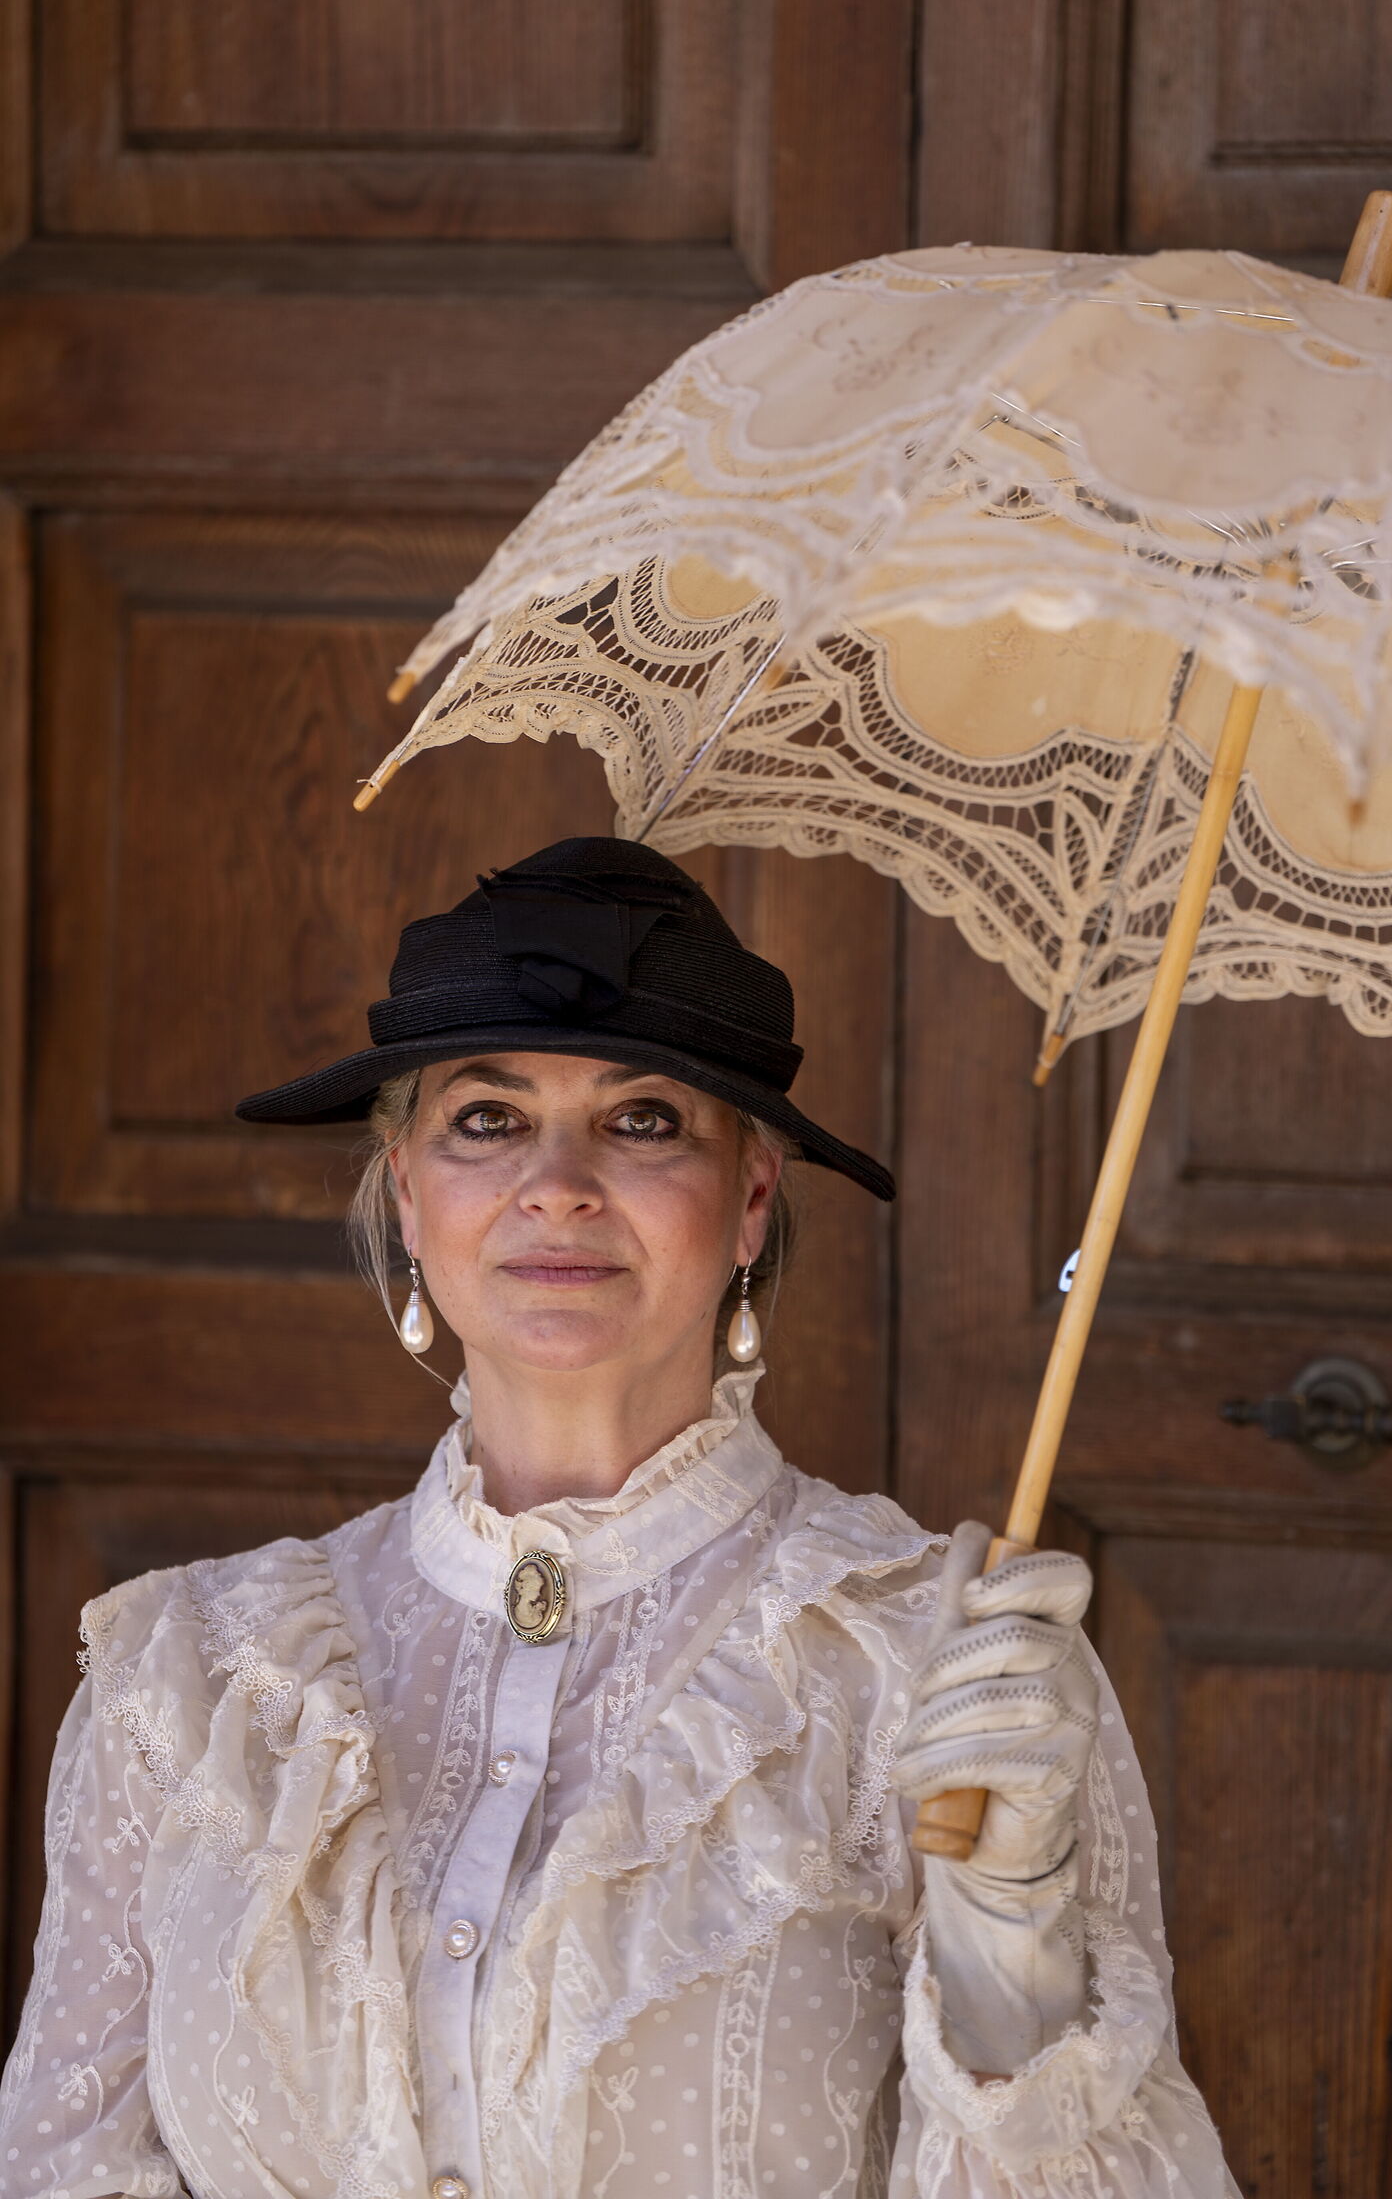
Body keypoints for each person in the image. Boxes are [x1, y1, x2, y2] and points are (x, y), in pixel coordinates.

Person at [0, 838, 1238, 2198]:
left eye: (645, 1119)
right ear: (409, 1193)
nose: (559, 1184)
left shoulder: (940, 1667)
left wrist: (1013, 1966)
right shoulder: (183, 1682)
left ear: (753, 1196)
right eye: (487, 1118)